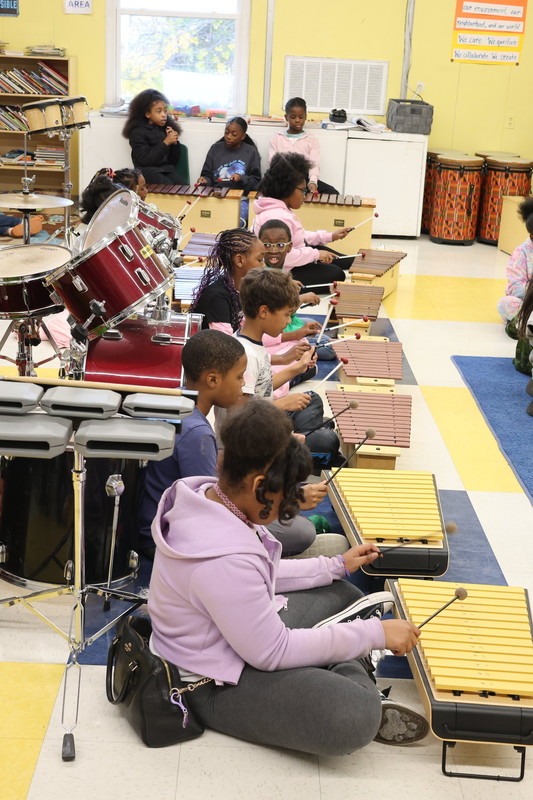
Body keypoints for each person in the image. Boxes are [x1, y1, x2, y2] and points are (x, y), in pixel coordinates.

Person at [147, 398, 429, 755]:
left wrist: (336, 565)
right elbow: (272, 651)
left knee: (344, 594)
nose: (289, 506)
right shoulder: (222, 559)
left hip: (236, 642)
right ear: (259, 485)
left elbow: (261, 573)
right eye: (286, 495)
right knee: (355, 716)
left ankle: (329, 664)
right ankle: (343, 677)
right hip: (210, 681)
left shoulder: (209, 495)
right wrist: (374, 635)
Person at [138, 329, 323, 559]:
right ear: (213, 379)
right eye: (239, 377)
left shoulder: (178, 401)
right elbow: (218, 508)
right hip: (166, 539)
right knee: (302, 532)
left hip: (160, 524)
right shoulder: (197, 433)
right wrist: (290, 501)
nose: (243, 384)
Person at [237, 267, 339, 460]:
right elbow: (240, 418)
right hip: (251, 444)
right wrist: (281, 405)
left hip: (264, 419)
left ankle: (306, 434)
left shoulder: (253, 344)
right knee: (328, 441)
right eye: (286, 315)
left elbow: (261, 388)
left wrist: (297, 368)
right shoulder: (246, 355)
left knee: (311, 399)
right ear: (264, 311)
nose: (288, 322)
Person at [39, 172, 123, 348]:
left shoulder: (112, 233)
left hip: (107, 297)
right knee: (64, 325)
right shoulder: (86, 238)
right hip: (92, 300)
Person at [252, 153, 352, 290]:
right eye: (303, 190)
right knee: (336, 274)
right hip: (280, 270)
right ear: (288, 188)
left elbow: (300, 237)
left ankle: (354, 261)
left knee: (339, 259)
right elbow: (283, 256)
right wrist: (316, 255)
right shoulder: (275, 216)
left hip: (294, 257)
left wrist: (330, 236)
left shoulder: (282, 209)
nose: (305, 195)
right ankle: (280, 290)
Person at [258, 218, 336, 362]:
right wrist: (302, 298)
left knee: (313, 323)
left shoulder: (277, 272)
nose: (274, 250)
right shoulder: (262, 278)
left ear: (289, 247)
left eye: (280, 245)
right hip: (275, 331)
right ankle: (288, 346)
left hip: (285, 323)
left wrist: (288, 283)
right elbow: (277, 314)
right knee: (329, 347)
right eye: (267, 245)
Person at [268, 97, 339, 195]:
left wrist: (313, 181)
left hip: (303, 179)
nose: (297, 120)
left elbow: (314, 164)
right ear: (286, 117)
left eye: (301, 117)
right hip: (282, 179)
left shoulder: (311, 139)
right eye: (293, 117)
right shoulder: (277, 138)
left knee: (332, 192)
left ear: (305, 116)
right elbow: (272, 163)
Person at [122, 88, 186, 186]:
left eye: (165, 111)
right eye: (159, 111)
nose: (164, 115)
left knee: (182, 185)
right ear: (148, 114)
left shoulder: (164, 130)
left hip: (166, 170)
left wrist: (174, 144)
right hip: (147, 171)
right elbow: (145, 160)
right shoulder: (137, 133)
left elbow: (173, 161)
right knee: (166, 185)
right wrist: (165, 143)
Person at [196, 116, 261, 194]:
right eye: (226, 133)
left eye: (234, 134)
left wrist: (241, 178)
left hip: (241, 196)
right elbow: (207, 176)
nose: (228, 137)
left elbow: (256, 182)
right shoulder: (215, 149)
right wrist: (205, 180)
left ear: (243, 136)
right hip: (217, 195)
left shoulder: (251, 152)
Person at [497, 196, 533, 333]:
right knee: (505, 304)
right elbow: (514, 287)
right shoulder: (521, 253)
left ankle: (528, 325)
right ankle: (526, 324)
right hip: (527, 303)